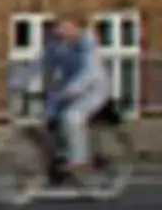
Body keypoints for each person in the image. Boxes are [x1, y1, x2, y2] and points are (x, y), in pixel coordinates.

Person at [30, 17, 110, 182]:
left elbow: (91, 71)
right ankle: (62, 156)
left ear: (76, 28)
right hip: (66, 89)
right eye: (59, 30)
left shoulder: (87, 45)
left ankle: (79, 160)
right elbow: (40, 65)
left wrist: (73, 88)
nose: (61, 33)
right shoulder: (55, 46)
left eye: (65, 28)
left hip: (92, 90)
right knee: (48, 118)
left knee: (72, 116)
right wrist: (22, 82)